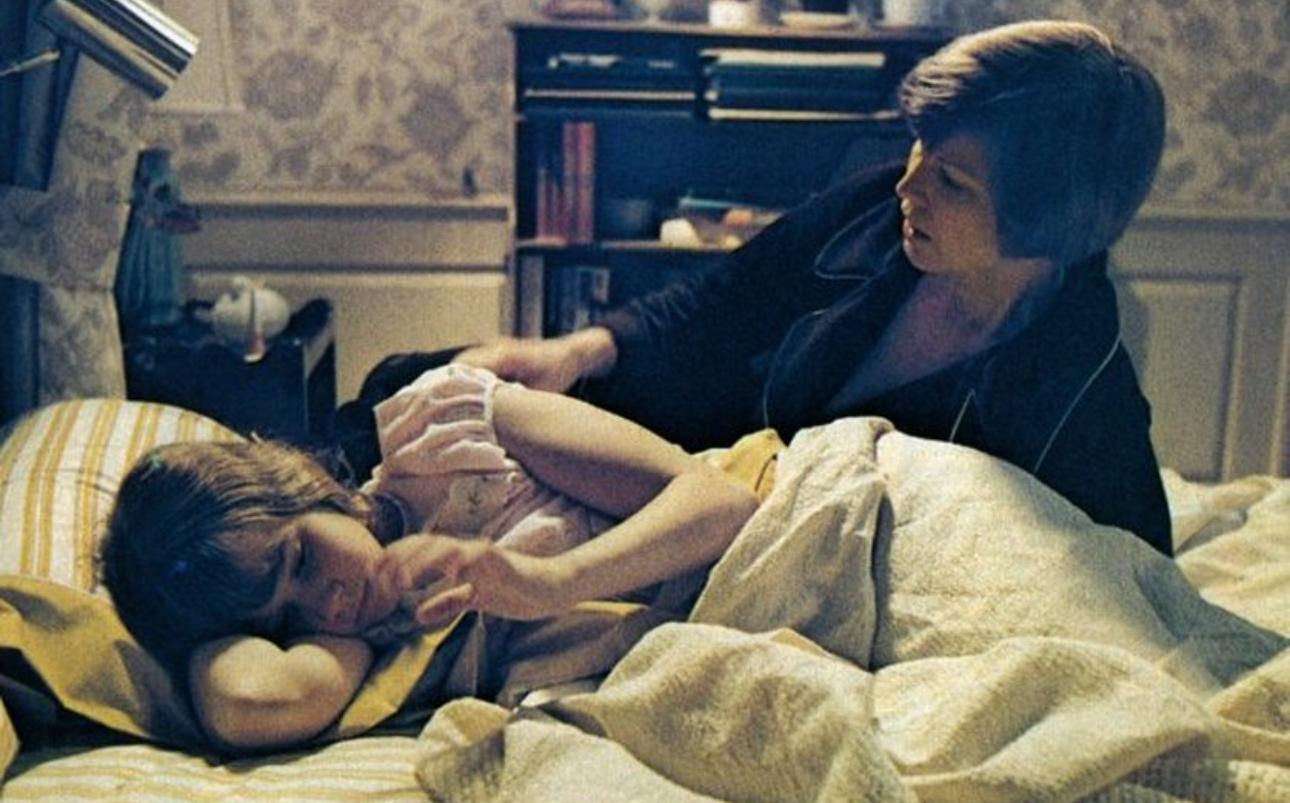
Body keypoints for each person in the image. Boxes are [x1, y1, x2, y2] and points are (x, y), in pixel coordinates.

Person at [454, 20, 1173, 554]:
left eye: (952, 182)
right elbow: (724, 294)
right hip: (696, 443)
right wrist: (575, 351)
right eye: (920, 146)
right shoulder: (878, 208)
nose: (908, 185)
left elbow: (1140, 572)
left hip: (746, 545)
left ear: (1043, 222)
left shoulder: (1082, 395)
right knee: (441, 384)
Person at [100, 364, 760, 751]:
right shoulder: (355, 638)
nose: (329, 603)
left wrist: (549, 582)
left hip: (772, 534)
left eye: (297, 561)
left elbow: (722, 501)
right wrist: (206, 628)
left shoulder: (444, 434)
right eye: (282, 622)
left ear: (297, 483)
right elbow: (250, 703)